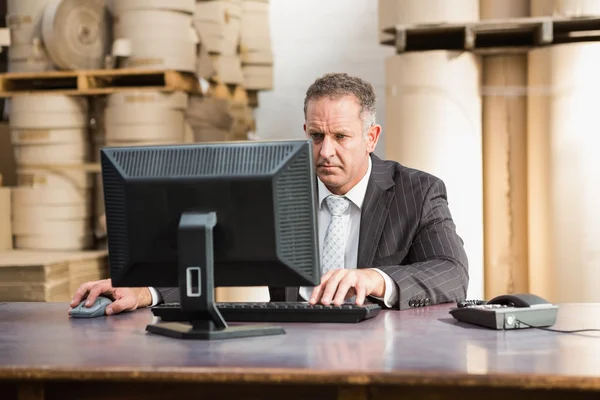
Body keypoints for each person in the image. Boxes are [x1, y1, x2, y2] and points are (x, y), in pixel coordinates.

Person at [70, 73, 469, 316]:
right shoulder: (277, 190)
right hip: (291, 351)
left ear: (371, 137)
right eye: (315, 136)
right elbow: (218, 262)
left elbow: (452, 272)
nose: (325, 151)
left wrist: (375, 279)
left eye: (340, 137)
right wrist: (145, 289)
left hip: (382, 356)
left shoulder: (418, 191)